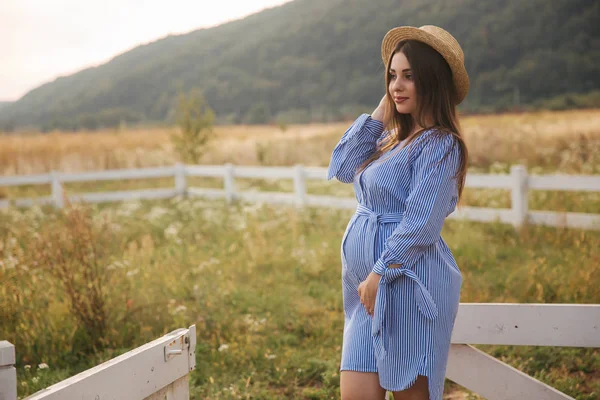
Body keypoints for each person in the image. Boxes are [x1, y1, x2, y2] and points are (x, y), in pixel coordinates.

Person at [327, 25, 470, 400]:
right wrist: (383, 110)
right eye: (392, 76)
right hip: (365, 295)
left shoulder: (440, 144)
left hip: (406, 283)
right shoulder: (390, 139)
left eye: (409, 76)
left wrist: (379, 272)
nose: (397, 85)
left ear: (431, 81)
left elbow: (421, 222)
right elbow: (342, 167)